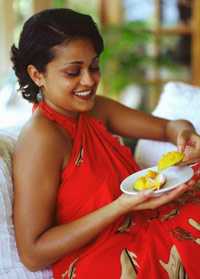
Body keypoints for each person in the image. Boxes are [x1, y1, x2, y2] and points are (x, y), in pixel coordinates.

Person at [11, 8, 200, 279]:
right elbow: (33, 253)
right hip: (102, 255)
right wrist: (122, 206)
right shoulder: (41, 138)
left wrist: (187, 135)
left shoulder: (93, 110)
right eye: (73, 72)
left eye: (94, 66)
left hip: (145, 220)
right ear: (37, 74)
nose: (89, 80)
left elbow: (169, 127)